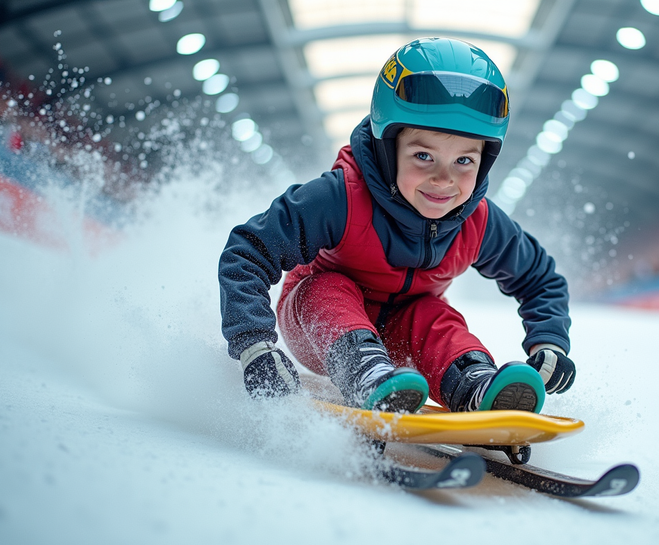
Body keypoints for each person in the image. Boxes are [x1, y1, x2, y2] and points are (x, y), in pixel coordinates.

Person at [218, 38, 575, 414]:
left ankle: (473, 384)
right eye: (424, 156)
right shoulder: (341, 199)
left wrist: (548, 342)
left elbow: (539, 278)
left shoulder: (479, 220)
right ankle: (369, 374)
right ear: (388, 148)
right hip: (319, 326)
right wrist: (255, 346)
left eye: (464, 161)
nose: (444, 179)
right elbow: (248, 250)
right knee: (328, 287)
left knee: (433, 315)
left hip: (405, 332)